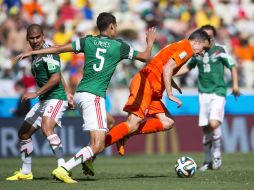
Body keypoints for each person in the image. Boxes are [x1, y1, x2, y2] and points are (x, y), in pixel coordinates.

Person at [14, 12, 156, 183]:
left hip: (80, 95)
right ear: (111, 26)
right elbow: (146, 57)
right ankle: (64, 168)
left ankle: (87, 159)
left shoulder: (87, 41)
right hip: (94, 96)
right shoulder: (119, 46)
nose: (116, 29)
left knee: (109, 123)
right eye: (116, 26)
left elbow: (58, 49)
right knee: (98, 144)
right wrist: (150, 42)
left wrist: (33, 53)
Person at [103, 29, 210, 158]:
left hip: (153, 89)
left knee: (168, 122)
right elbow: (167, 68)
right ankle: (97, 147)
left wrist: (172, 84)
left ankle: (126, 134)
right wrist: (170, 94)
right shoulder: (186, 49)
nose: (202, 52)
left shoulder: (180, 45)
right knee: (132, 123)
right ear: (197, 42)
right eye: (203, 48)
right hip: (145, 83)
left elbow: (163, 64)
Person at [6, 24, 74, 181]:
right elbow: (59, 74)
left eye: (38, 37)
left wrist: (36, 93)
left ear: (43, 36)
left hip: (56, 97)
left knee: (47, 127)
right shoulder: (35, 55)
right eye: (32, 38)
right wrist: (69, 92)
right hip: (45, 99)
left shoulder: (49, 53)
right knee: (23, 133)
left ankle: (63, 168)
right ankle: (25, 172)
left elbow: (55, 77)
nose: (35, 40)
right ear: (27, 39)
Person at [175, 25, 240, 171]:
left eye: (209, 36)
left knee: (214, 123)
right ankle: (207, 160)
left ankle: (217, 155)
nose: (206, 39)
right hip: (203, 93)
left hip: (218, 92)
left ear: (213, 37)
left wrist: (235, 86)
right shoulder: (197, 52)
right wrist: (172, 72)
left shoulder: (220, 50)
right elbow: (188, 67)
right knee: (205, 128)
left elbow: (232, 66)